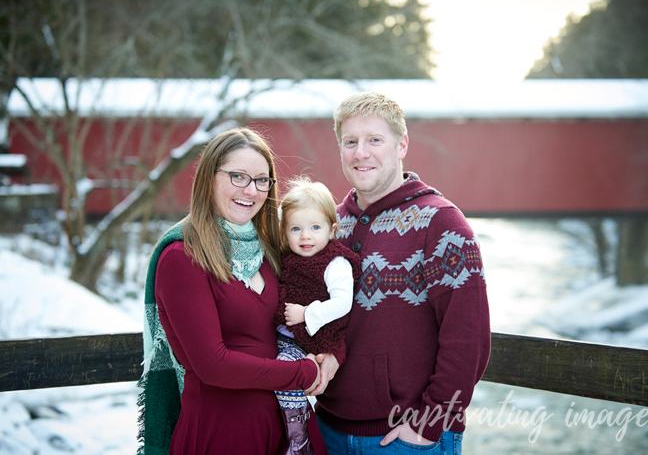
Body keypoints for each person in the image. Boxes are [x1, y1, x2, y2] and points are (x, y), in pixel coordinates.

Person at [312, 92, 491, 454]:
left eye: (374, 140)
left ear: (401, 145)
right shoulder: (330, 224)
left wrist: (431, 422)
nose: (361, 152)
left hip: (406, 439)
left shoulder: (441, 224)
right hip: (327, 430)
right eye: (351, 142)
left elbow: (469, 337)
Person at [137, 127, 328, 455]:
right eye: (238, 177)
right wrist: (302, 372)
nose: (251, 191)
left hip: (284, 428)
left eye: (261, 180)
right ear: (209, 177)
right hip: (220, 432)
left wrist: (328, 353)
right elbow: (214, 365)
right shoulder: (183, 256)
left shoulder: (270, 252)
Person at [272, 177, 362, 455]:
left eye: (314, 227)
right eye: (296, 228)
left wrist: (306, 313)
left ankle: (298, 440)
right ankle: (279, 435)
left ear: (331, 229)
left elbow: (342, 304)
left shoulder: (335, 262)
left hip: (312, 339)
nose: (305, 236)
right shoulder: (286, 258)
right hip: (285, 337)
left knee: (284, 377)